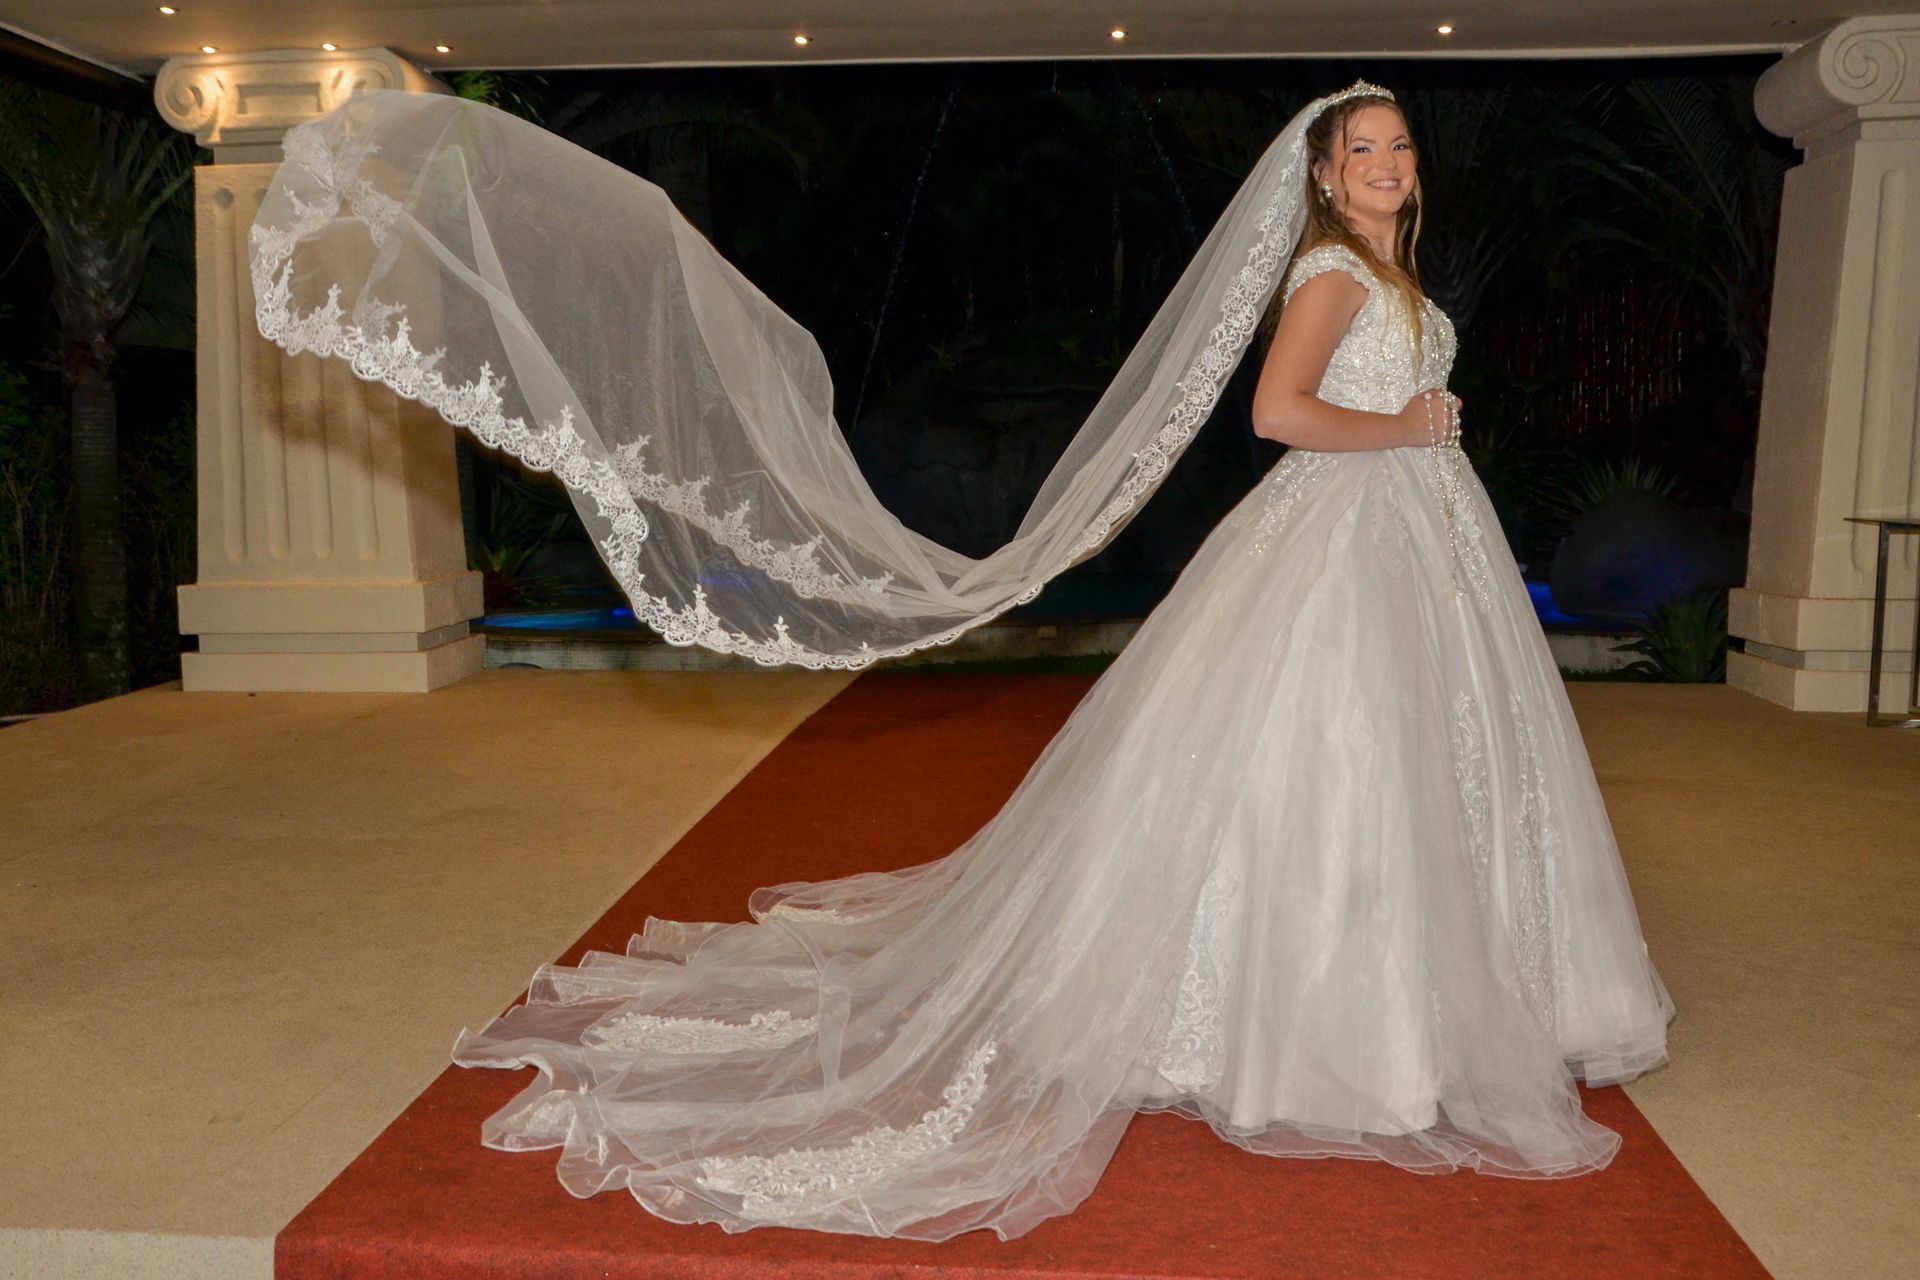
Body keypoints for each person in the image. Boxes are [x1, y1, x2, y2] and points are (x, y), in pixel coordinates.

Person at [250, 80, 1674, 1242]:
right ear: (1320, 180)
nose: (1383, 163)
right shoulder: (1326, 276)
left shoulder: (1390, 267)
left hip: (1418, 544)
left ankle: (1467, 1002)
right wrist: (1414, 431)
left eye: (1396, 145)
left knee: (1438, 769)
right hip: (1347, 534)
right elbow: (1282, 415)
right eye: (1358, 150)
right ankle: (1316, 1028)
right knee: (1337, 771)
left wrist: (1424, 437)